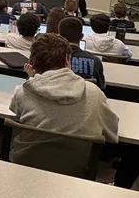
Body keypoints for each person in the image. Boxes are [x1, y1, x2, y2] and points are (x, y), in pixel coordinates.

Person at [9, 34, 119, 162]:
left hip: (27, 163)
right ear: (67, 60)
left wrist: (33, 79)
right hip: (76, 169)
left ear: (33, 63)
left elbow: (16, 115)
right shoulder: (94, 92)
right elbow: (112, 134)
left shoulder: (23, 91)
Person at [57, 17, 105, 89]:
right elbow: (101, 86)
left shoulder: (50, 59)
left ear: (59, 36)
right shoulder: (96, 61)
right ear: (82, 36)